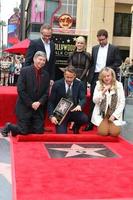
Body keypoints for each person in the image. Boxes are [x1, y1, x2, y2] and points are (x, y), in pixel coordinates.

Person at [1, 51, 50, 137]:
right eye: (40, 59)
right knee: (24, 132)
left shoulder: (46, 74)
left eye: (44, 60)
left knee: (39, 132)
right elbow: (20, 90)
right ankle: (9, 126)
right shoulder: (24, 71)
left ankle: (26, 127)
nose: (42, 62)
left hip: (38, 108)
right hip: (25, 107)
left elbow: (46, 92)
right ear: (34, 59)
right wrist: (31, 103)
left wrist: (39, 102)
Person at [84, 29, 122, 131]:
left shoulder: (114, 48)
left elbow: (118, 62)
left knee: (109, 99)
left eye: (102, 40)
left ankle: (108, 122)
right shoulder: (94, 48)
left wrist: (107, 70)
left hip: (108, 76)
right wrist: (89, 76)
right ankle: (90, 123)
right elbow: (92, 63)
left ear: (107, 37)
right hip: (95, 76)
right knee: (94, 99)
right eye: (99, 40)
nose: (101, 42)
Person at [48, 66, 88, 134]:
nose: (69, 79)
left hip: (73, 110)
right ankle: (62, 126)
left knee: (84, 119)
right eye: (67, 77)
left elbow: (83, 98)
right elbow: (51, 102)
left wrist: (79, 105)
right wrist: (51, 116)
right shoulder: (57, 84)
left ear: (75, 75)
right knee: (61, 135)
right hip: (60, 112)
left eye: (71, 77)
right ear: (64, 75)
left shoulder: (79, 84)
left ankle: (75, 127)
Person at [91, 67, 125, 136]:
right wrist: (103, 92)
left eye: (108, 76)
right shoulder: (98, 85)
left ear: (112, 76)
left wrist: (114, 115)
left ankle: (110, 125)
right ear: (101, 78)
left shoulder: (119, 85)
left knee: (115, 133)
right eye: (104, 76)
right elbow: (95, 100)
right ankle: (105, 124)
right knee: (103, 133)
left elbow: (122, 102)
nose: (106, 78)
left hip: (114, 114)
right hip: (102, 114)